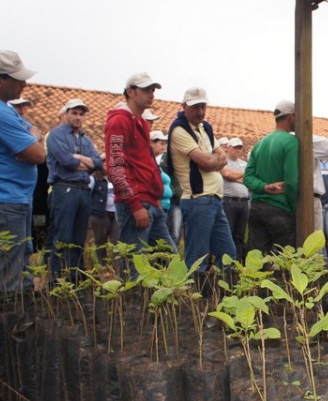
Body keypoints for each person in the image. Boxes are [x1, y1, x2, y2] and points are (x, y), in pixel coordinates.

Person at [0, 50, 46, 293]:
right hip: (3, 201)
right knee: (6, 274)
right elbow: (39, 155)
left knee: (19, 264)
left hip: (14, 200)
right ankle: (5, 326)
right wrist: (29, 143)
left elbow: (35, 132)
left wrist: (29, 139)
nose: (24, 84)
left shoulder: (5, 109)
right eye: (17, 79)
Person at [105, 72, 176, 256]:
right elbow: (115, 167)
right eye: (146, 89)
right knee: (134, 264)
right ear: (130, 91)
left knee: (170, 259)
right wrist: (135, 205)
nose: (151, 94)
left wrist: (156, 196)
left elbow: (148, 163)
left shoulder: (142, 124)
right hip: (136, 203)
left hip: (152, 202)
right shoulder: (119, 121)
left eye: (152, 90)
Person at [167, 86, 235, 269]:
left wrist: (211, 161)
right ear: (184, 106)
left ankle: (220, 295)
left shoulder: (205, 129)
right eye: (195, 107)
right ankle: (196, 295)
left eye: (203, 106)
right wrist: (212, 161)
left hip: (214, 199)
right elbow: (206, 161)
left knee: (229, 255)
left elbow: (222, 158)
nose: (200, 111)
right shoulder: (179, 130)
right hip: (198, 199)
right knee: (198, 258)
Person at [46, 98, 103, 275]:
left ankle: (75, 277)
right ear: (65, 114)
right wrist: (84, 162)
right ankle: (56, 279)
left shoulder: (86, 140)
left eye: (81, 114)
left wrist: (79, 159)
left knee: (79, 238)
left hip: (84, 190)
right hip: (64, 188)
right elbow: (66, 161)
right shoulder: (56, 134)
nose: (78, 117)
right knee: (62, 236)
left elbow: (97, 163)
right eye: (74, 113)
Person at [244, 100, 299, 253]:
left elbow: (247, 178)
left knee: (257, 260)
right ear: (291, 117)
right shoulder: (291, 142)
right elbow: (292, 182)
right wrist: (295, 209)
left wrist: (264, 187)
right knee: (286, 261)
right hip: (281, 209)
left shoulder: (259, 144)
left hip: (256, 208)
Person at [220, 137, 250, 261]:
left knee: (240, 234)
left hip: (244, 203)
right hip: (228, 201)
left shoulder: (244, 164)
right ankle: (226, 262)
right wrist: (242, 174)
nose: (238, 150)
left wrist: (235, 176)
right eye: (235, 147)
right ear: (228, 148)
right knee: (228, 233)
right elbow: (227, 175)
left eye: (240, 148)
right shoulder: (223, 161)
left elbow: (248, 179)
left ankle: (237, 261)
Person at [88, 167, 119, 265]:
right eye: (104, 162)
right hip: (100, 213)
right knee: (100, 242)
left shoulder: (119, 177)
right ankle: (102, 267)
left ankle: (117, 268)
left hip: (116, 213)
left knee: (117, 241)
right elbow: (87, 194)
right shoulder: (94, 179)